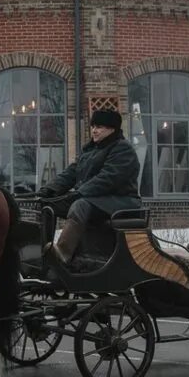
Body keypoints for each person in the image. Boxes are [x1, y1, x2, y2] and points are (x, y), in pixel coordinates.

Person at [39, 109, 141, 266]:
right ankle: (43, 251)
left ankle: (63, 253)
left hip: (122, 201)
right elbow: (71, 173)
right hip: (94, 199)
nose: (94, 130)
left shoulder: (122, 149)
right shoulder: (91, 150)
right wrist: (50, 190)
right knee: (48, 205)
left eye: (99, 127)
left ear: (112, 129)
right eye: (93, 126)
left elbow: (108, 178)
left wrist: (80, 193)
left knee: (80, 205)